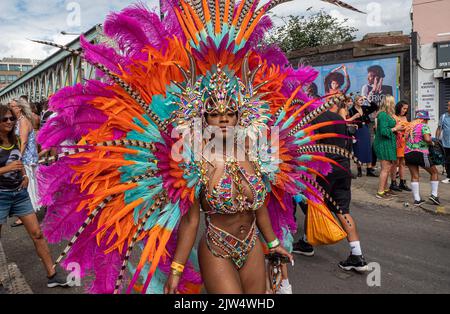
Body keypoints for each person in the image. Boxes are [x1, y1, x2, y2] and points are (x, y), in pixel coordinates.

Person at [33, 1, 344, 294]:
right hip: (217, 248)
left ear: (239, 114)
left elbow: (259, 205)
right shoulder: (191, 159)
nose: (223, 119)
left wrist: (274, 243)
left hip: (251, 246)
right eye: (215, 114)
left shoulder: (256, 151)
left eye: (229, 113)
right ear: (204, 116)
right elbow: (191, 220)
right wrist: (177, 270)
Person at [292, 100, 369, 272]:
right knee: (343, 210)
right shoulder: (338, 118)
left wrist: (310, 177)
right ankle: (357, 255)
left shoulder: (312, 120)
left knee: (314, 205)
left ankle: (307, 243)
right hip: (343, 166)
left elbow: (313, 148)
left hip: (324, 169)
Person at [0, 105, 69, 288]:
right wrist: (7, 169)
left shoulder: (13, 139)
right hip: (1, 196)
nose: (9, 122)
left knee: (38, 234)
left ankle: (52, 275)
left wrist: (23, 175)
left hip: (19, 195)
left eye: (11, 118)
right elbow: (10, 165)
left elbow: (17, 160)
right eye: (4, 119)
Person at [9, 98, 39, 227]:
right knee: (29, 184)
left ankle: (28, 214)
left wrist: (17, 157)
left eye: (12, 106)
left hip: (27, 158)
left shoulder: (23, 121)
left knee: (29, 185)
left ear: (19, 108)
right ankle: (28, 213)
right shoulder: (19, 121)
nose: (10, 108)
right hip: (27, 157)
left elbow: (24, 141)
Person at [404, 110, 440, 206]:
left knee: (415, 176)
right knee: (434, 172)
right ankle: (434, 195)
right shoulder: (424, 126)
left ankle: (417, 200)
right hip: (420, 153)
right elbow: (427, 139)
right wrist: (432, 143)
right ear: (424, 119)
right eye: (427, 120)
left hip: (408, 153)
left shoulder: (410, 127)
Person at [373, 95, 405, 199]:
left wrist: (398, 128)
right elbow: (382, 131)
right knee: (385, 168)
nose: (394, 104)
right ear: (389, 103)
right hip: (383, 143)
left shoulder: (388, 114)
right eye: (393, 102)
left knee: (388, 167)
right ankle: (380, 192)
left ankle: (385, 189)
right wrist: (396, 128)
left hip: (389, 143)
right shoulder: (382, 115)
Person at [348, 95, 379, 177]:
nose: (361, 102)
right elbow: (349, 121)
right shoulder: (351, 110)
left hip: (365, 129)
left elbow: (375, 107)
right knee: (358, 149)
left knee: (367, 148)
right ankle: (359, 170)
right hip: (357, 130)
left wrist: (368, 100)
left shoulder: (364, 108)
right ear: (355, 101)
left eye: (362, 100)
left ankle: (369, 170)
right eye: (360, 100)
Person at [390, 101, 411, 191]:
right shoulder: (393, 117)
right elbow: (392, 129)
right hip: (396, 141)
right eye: (404, 108)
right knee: (395, 163)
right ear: (399, 107)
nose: (405, 110)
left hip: (404, 141)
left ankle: (402, 182)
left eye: (406, 109)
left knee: (402, 163)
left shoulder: (405, 117)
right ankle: (393, 182)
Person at [436, 101, 450, 184]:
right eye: (448, 105)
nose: (448, 107)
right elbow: (439, 129)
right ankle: (449, 177)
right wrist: (437, 139)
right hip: (446, 144)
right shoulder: (444, 116)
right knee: (447, 161)